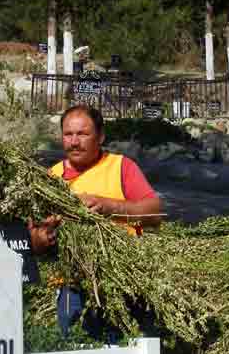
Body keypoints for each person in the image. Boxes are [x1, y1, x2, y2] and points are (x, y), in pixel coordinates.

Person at [29, 103, 162, 337]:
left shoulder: (121, 167)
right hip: (73, 289)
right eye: (68, 134)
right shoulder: (51, 178)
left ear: (100, 136)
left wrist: (110, 206)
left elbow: (154, 212)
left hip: (125, 282)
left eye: (82, 134)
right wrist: (40, 238)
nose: (74, 141)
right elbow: (34, 235)